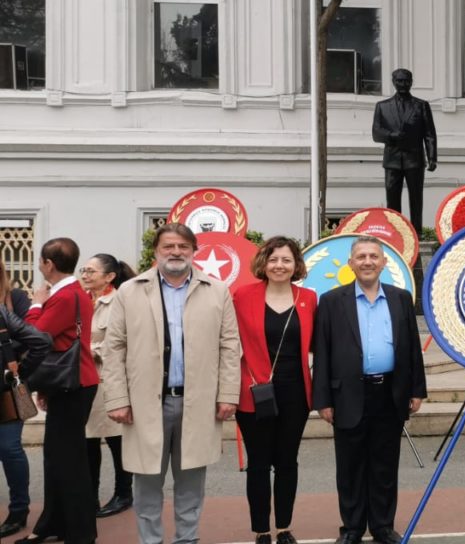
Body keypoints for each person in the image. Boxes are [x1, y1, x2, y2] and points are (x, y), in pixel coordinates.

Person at [100, 223, 241, 544]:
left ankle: (187, 539)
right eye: (168, 247)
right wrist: (117, 399)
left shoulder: (216, 291)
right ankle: (150, 541)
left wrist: (228, 394)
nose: (175, 252)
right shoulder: (130, 291)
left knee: (191, 482)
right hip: (145, 404)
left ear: (194, 252)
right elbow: (114, 347)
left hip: (198, 403)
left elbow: (230, 346)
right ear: (156, 252)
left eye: (183, 247)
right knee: (147, 482)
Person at [312, 236, 426, 544]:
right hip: (347, 394)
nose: (367, 261)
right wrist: (322, 399)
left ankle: (382, 526)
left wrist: (416, 390)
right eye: (360, 256)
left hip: (390, 392)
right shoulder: (333, 301)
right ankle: (351, 528)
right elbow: (322, 352)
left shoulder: (401, 298)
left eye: (373, 256)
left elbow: (412, 348)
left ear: (384, 262)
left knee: (385, 465)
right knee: (350, 467)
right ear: (350, 263)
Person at [233, 237, 317, 544]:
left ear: (296, 265)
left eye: (286, 260)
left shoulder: (309, 298)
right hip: (254, 391)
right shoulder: (242, 296)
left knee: (286, 462)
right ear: (263, 263)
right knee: (258, 464)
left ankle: (283, 527)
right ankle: (261, 531)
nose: (279, 265)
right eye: (273, 259)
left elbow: (318, 346)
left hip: (296, 392)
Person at [22, 237, 99, 544]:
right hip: (69, 383)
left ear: (49, 264)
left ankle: (79, 533)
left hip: (73, 384)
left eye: (41, 261)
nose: (40, 266)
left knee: (68, 461)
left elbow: (36, 336)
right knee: (57, 457)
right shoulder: (72, 293)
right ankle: (54, 523)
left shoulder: (64, 296)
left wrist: (36, 303)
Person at [80, 253, 136, 519]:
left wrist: (89, 350)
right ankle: (89, 496)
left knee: (116, 441)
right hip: (84, 381)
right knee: (88, 441)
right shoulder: (83, 300)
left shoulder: (118, 301)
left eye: (91, 271)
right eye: (84, 270)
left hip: (108, 380)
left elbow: (124, 339)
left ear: (110, 276)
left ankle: (123, 494)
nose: (85, 275)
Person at [0, 260, 46, 538]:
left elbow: (34, 339)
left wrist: (18, 373)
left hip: (7, 387)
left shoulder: (13, 299)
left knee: (9, 448)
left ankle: (19, 511)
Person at [372, 68, 438, 234]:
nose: (403, 84)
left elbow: (429, 133)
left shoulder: (421, 106)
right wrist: (392, 135)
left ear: (411, 82)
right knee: (392, 198)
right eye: (400, 81)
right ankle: (395, 232)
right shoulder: (382, 106)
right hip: (392, 160)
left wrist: (432, 157)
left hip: (414, 159)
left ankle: (417, 232)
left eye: (406, 81)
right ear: (393, 82)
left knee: (416, 198)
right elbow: (376, 133)